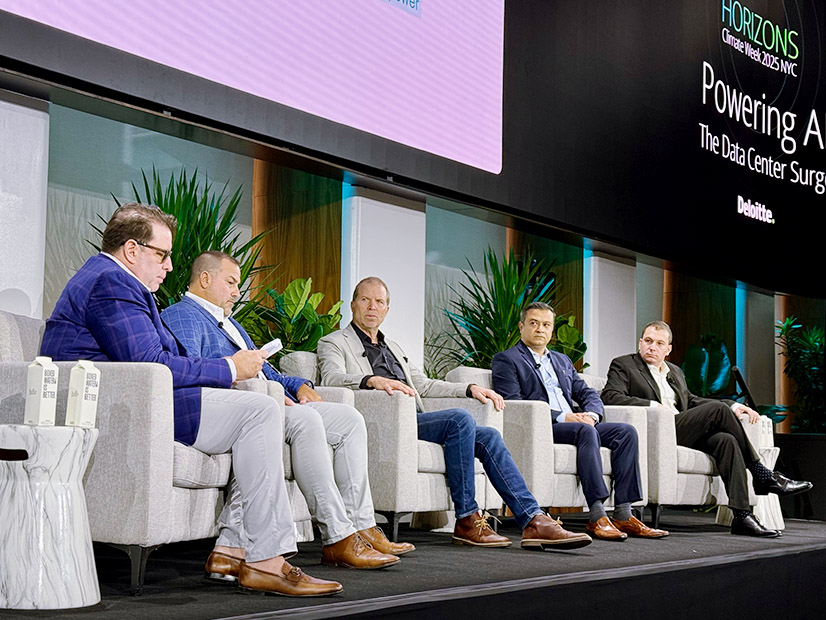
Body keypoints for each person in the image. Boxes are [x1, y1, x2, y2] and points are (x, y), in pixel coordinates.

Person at [40, 203, 342, 596]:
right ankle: (265, 560)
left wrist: (230, 373)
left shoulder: (115, 280)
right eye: (161, 255)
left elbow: (163, 359)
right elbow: (150, 363)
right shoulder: (111, 281)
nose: (168, 266)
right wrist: (231, 369)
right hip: (124, 407)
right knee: (259, 410)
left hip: (143, 399)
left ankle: (236, 550)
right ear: (132, 250)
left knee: (260, 408)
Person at [162, 251, 413, 569]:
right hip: (247, 404)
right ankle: (338, 536)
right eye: (231, 283)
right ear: (205, 279)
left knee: (348, 418)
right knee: (307, 419)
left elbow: (268, 371)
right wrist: (268, 392)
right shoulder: (183, 316)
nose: (237, 292)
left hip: (272, 397)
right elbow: (195, 372)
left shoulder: (230, 323)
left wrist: (298, 385)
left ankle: (362, 525)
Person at [317, 276, 592, 550]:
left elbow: (423, 384)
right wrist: (370, 380)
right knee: (459, 420)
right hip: (383, 422)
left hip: (414, 420)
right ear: (353, 305)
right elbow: (330, 378)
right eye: (365, 300)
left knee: (489, 436)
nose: (372, 307)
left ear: (387, 309)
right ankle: (466, 519)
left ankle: (532, 520)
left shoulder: (394, 348)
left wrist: (468, 388)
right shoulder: (334, 342)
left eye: (379, 302)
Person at [602, 320, 813, 537]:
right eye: (647, 341)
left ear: (668, 349)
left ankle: (741, 516)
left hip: (682, 428)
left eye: (658, 343)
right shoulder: (624, 365)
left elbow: (690, 400)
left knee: (726, 441)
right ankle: (763, 475)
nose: (652, 347)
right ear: (640, 343)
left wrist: (734, 405)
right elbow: (610, 396)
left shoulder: (674, 371)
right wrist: (652, 405)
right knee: (718, 410)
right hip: (659, 431)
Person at [491, 302, 668, 541]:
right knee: (586, 433)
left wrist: (592, 415)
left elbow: (588, 394)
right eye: (534, 323)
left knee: (626, 432)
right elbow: (514, 404)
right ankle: (596, 515)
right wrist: (565, 416)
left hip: (577, 424)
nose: (540, 329)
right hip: (543, 427)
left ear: (552, 331)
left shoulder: (562, 361)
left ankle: (624, 514)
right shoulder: (507, 359)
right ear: (522, 327)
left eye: (546, 325)